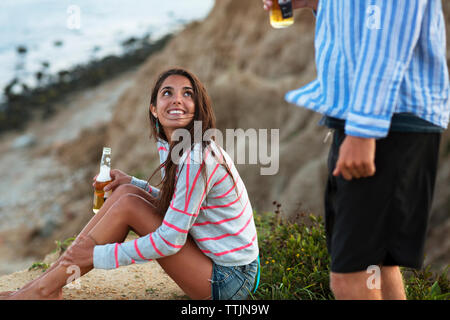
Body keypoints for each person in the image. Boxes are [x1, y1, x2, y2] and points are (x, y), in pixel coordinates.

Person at [2, 68, 260, 300]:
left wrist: (97, 256)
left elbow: (170, 240)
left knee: (129, 205)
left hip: (230, 280)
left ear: (198, 108)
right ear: (154, 109)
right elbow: (180, 206)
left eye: (187, 94)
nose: (177, 99)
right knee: (126, 192)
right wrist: (134, 182)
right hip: (217, 262)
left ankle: (43, 290)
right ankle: (44, 288)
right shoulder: (174, 146)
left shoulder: (197, 157)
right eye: (167, 93)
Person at [263, 0, 449, 299]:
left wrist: (363, 131)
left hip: (389, 120)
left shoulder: (372, 126)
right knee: (377, 265)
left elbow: (388, 35)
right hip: (374, 118)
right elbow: (363, 22)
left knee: (349, 277)